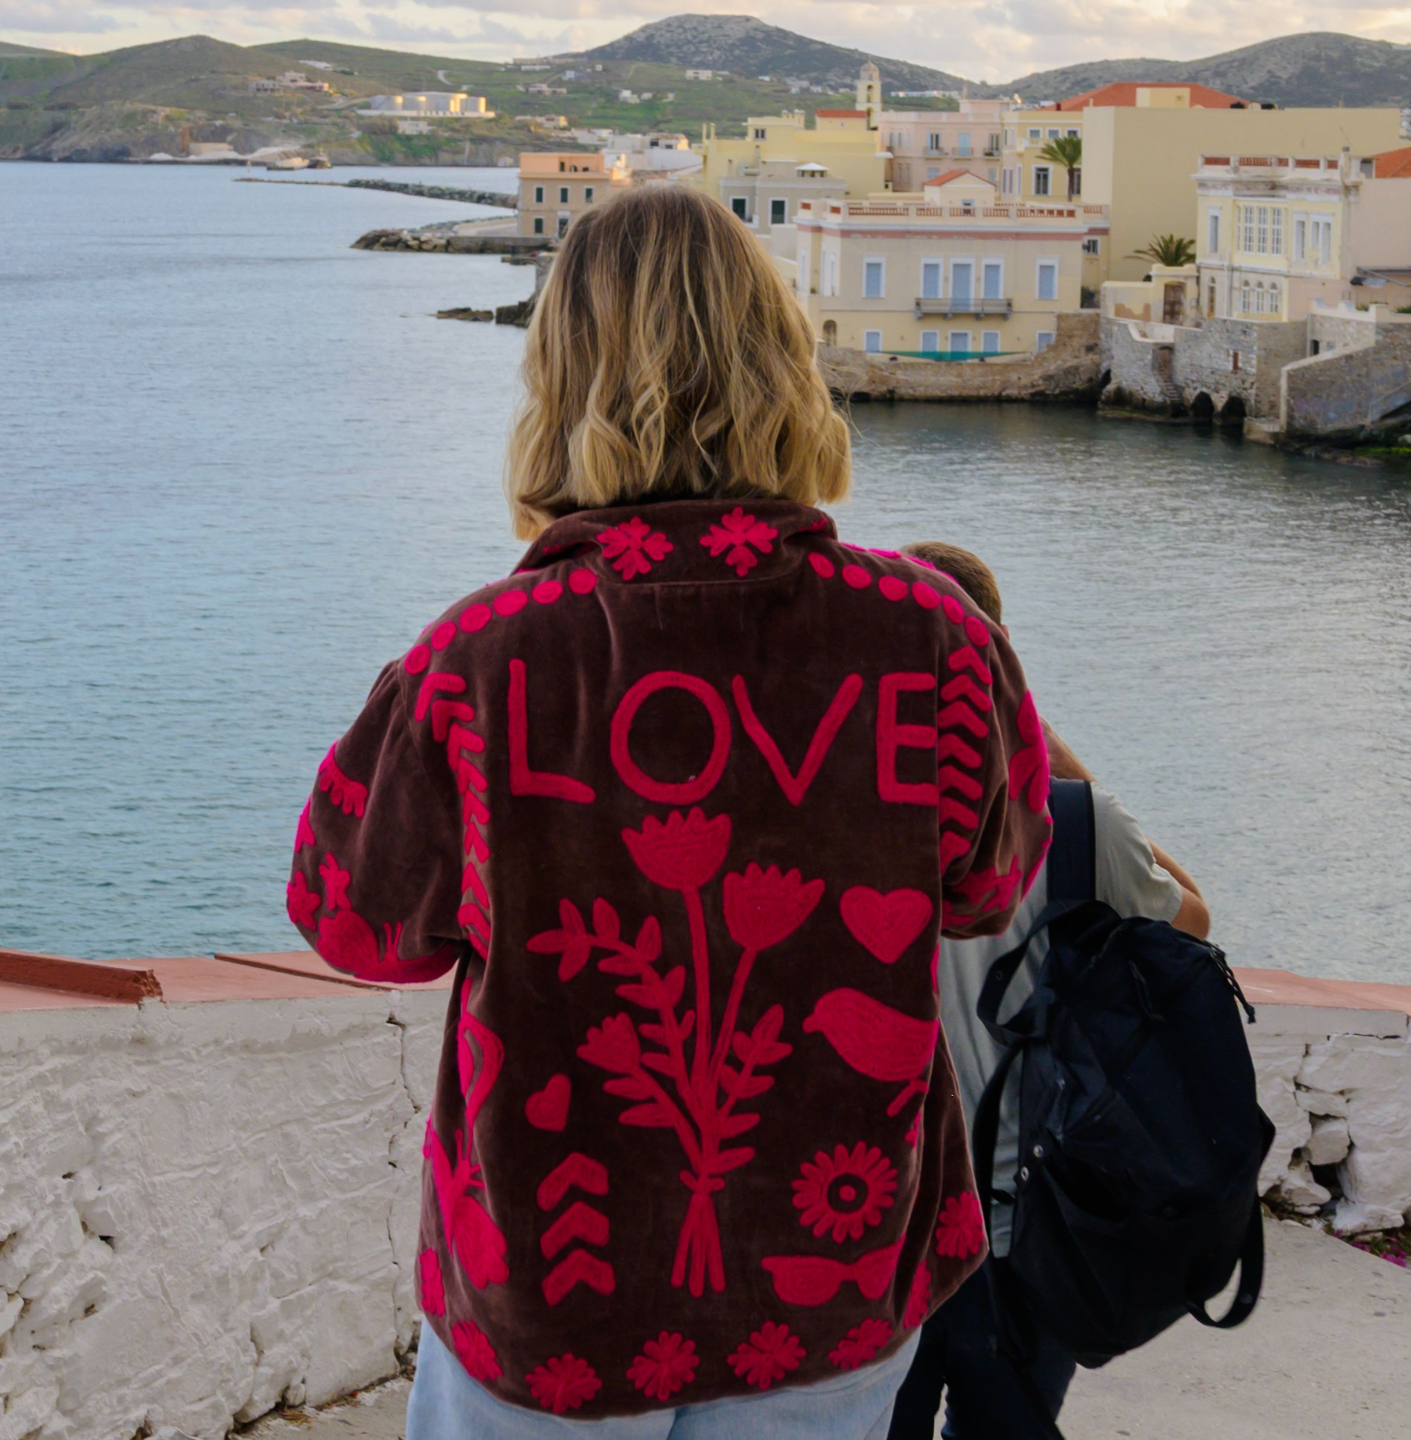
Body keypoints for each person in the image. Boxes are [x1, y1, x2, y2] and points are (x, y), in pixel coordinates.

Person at [285, 187, 1052, 1440]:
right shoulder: (938, 637)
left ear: (560, 379)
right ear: (782, 359)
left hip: (551, 1299)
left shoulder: (479, 659)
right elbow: (989, 886)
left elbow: (352, 922)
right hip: (832, 1276)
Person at [888, 541, 1210, 1440]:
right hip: (1029, 1223)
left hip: (882, 1224)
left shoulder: (842, 817)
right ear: (1001, 658)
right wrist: (1068, 773)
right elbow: (1190, 920)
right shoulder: (1073, 823)